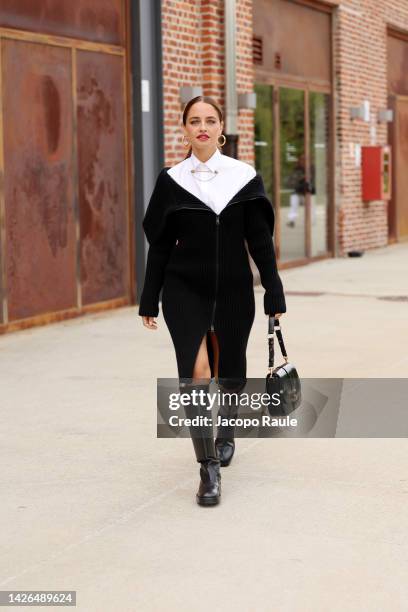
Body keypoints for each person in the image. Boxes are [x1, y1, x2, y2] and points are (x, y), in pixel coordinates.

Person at [138, 95, 286, 507]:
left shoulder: (243, 177)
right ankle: (208, 469)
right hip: (184, 288)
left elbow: (259, 240)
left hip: (235, 288)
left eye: (209, 120)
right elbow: (161, 247)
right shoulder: (171, 181)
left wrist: (273, 289)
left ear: (221, 128)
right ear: (183, 129)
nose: (202, 127)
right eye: (193, 121)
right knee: (196, 370)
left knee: (230, 368)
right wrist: (149, 299)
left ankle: (227, 431)